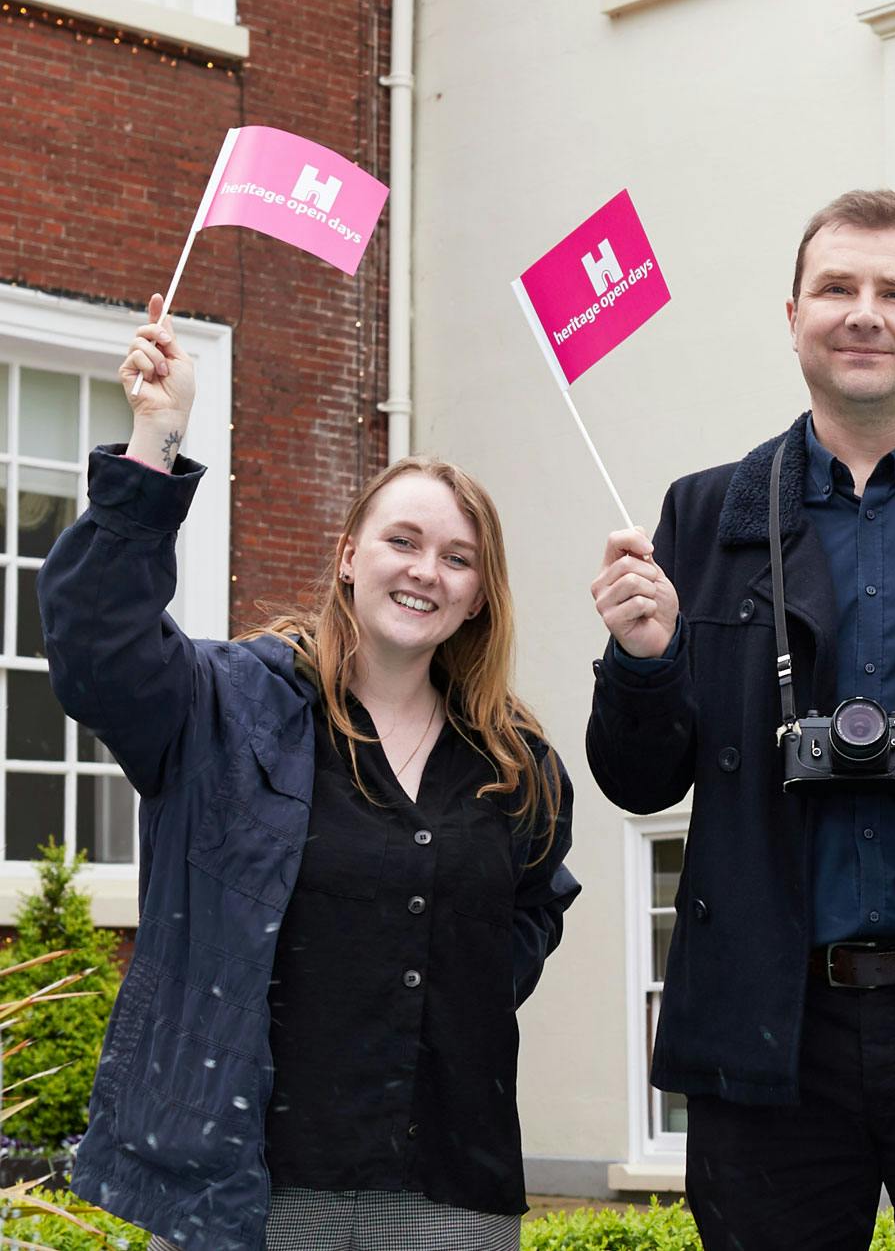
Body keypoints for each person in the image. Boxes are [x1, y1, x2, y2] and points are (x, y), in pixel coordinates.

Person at [584, 189, 895, 1248]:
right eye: (837, 288)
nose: (864, 312)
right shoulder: (703, 513)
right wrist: (641, 664)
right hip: (772, 1027)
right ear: (792, 314)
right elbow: (640, 779)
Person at [49, 295, 580, 1250]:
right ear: (347, 558)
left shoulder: (518, 764)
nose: (427, 571)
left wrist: (455, 997)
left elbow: (537, 903)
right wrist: (154, 444)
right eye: (403, 541)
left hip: (451, 1192)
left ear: (477, 600)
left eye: (459, 559)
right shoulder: (227, 707)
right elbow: (99, 647)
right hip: (249, 1184)